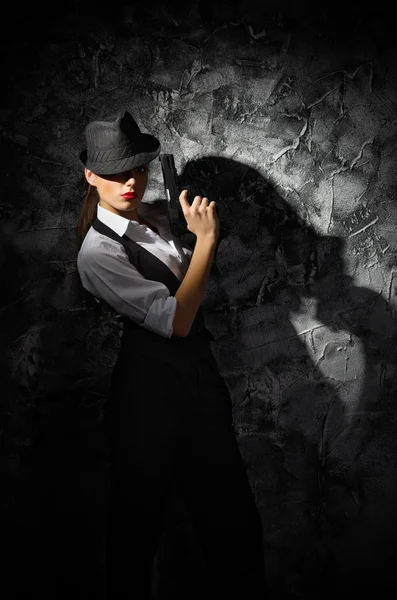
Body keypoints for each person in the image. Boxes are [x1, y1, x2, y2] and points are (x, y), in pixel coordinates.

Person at [76, 110, 267, 599]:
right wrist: (206, 242)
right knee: (136, 539)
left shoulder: (161, 216)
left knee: (234, 529)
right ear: (90, 176)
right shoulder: (97, 253)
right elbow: (176, 322)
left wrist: (186, 230)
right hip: (147, 398)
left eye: (137, 169)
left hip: (199, 385)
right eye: (115, 174)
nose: (129, 183)